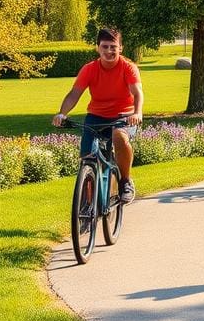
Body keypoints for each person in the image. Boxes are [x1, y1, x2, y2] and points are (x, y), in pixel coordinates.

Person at [53, 28, 143, 203]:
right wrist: (62, 113)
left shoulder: (128, 68)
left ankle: (125, 181)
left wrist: (137, 113)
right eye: (105, 46)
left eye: (113, 47)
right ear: (97, 48)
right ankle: (87, 206)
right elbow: (74, 94)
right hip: (96, 116)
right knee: (87, 158)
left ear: (120, 48)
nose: (109, 51)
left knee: (119, 136)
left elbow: (137, 93)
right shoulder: (89, 69)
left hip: (123, 116)